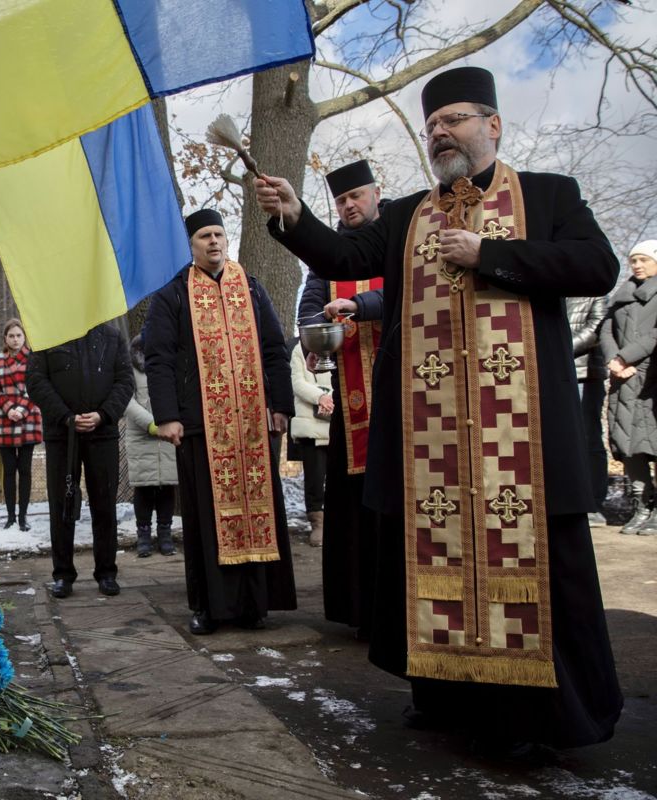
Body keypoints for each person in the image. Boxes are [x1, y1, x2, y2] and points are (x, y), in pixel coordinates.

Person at [255, 65, 622, 749]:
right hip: (435, 445)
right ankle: (452, 699)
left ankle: (542, 719)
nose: (440, 134)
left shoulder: (547, 195)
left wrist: (491, 254)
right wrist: (291, 213)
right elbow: (337, 253)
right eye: (431, 127)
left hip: (524, 441)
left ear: (493, 126)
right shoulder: (405, 215)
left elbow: (596, 266)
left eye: (453, 120)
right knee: (435, 567)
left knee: (542, 575)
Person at [145, 209, 297, 635]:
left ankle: (255, 605)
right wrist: (168, 416)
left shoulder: (250, 287)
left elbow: (274, 347)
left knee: (257, 511)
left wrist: (281, 404)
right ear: (191, 245)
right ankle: (209, 608)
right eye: (204, 237)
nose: (214, 242)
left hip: (251, 421)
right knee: (205, 519)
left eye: (219, 234)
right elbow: (158, 358)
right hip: (199, 425)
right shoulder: (174, 293)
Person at [297, 159, 386, 639]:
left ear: (376, 194)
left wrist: (362, 305)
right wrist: (313, 338)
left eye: (356, 197)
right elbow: (310, 306)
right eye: (341, 201)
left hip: (400, 396)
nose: (349, 206)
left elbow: (409, 294)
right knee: (353, 504)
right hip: (350, 399)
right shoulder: (327, 253)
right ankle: (359, 609)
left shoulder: (399, 235)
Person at [28, 323, 133, 598]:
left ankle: (107, 572)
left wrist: (103, 414)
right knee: (62, 505)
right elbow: (36, 382)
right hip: (62, 435)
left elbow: (125, 381)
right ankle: (63, 574)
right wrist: (66, 417)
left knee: (104, 504)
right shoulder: (49, 334)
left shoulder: (111, 336)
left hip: (103, 433)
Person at [603, 240, 657, 536]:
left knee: (654, 442)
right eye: (633, 260)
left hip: (651, 379)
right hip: (622, 378)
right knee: (629, 444)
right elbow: (606, 331)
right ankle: (641, 507)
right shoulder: (621, 297)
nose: (637, 265)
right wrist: (615, 359)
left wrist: (629, 357)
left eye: (643, 260)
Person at [123, 334, 179, 557]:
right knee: (144, 487)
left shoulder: (171, 363)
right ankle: (143, 534)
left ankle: (165, 533)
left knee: (167, 485)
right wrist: (151, 424)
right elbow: (127, 401)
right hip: (142, 434)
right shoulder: (131, 367)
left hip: (169, 433)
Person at [0, 319, 43, 530]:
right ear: (5, 338)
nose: (15, 339)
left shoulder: (34, 359)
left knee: (25, 470)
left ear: (24, 337)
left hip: (28, 418)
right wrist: (9, 408)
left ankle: (23, 516)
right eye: (11, 336)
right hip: (5, 419)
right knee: (8, 470)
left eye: (19, 335)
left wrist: (21, 409)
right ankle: (10, 516)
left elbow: (37, 386)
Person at [568, 295, 610, 527]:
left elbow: (596, 329)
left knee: (588, 438)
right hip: (556, 373)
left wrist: (558, 347)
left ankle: (594, 503)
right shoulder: (553, 292)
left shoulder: (595, 294)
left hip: (585, 374)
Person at [289, 340, 332, 547]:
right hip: (310, 423)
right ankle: (318, 524)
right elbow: (296, 382)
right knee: (314, 479)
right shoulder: (299, 349)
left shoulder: (336, 345)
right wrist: (320, 397)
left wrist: (332, 399)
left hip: (334, 420)